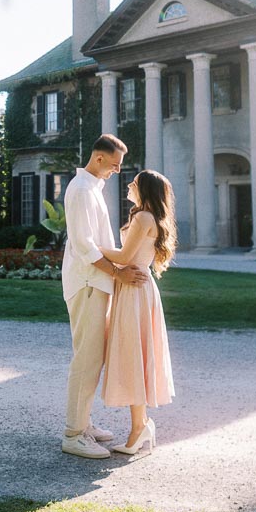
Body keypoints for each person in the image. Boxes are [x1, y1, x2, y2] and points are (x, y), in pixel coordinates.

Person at [60, 133, 149, 459]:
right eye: (113, 165)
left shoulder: (92, 189)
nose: (115, 171)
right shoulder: (82, 190)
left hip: (95, 283)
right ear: (98, 158)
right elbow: (84, 246)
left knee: (92, 357)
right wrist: (119, 272)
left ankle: (82, 423)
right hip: (87, 283)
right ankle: (73, 433)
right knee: (87, 358)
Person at [98, 169, 177, 456]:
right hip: (136, 289)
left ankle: (138, 429)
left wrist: (89, 248)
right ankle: (140, 424)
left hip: (135, 290)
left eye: (134, 182)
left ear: (145, 189)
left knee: (134, 354)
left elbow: (121, 257)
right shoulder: (144, 216)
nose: (130, 184)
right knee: (137, 355)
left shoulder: (144, 218)